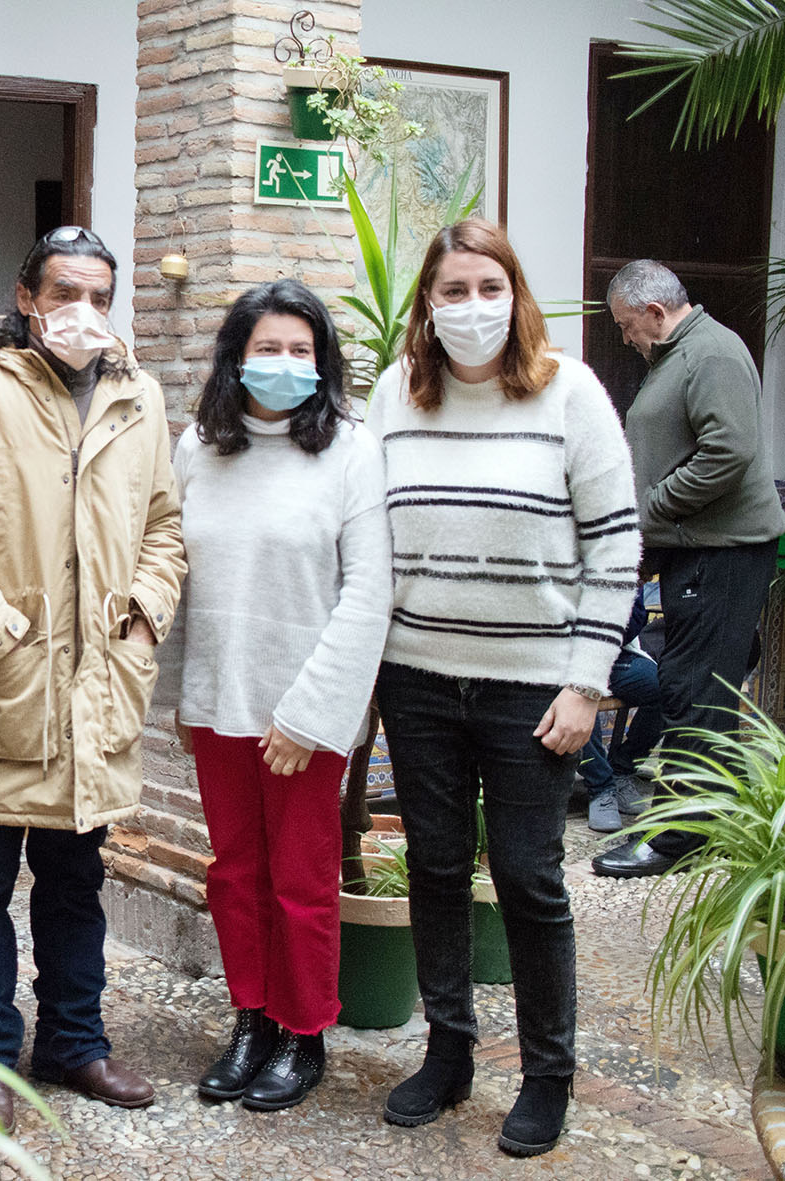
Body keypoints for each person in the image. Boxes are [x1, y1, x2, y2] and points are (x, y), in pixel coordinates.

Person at [0, 226, 185, 1133]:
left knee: (75, 882)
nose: (82, 313)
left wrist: (141, 615)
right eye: (64, 293)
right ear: (26, 297)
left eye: (99, 295)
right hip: (0, 685)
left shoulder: (139, 395)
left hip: (98, 687)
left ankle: (75, 1042)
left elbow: (166, 527)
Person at [364, 219, 640, 1157]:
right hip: (419, 678)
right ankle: (448, 1054)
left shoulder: (571, 392)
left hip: (534, 688)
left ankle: (547, 1074)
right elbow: (365, 539)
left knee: (528, 876)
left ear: (516, 294)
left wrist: (586, 684)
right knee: (436, 869)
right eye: (452, 290)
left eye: (489, 287)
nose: (471, 306)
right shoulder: (395, 394)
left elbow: (614, 545)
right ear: (427, 306)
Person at [174, 279, 391, 1112]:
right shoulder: (200, 445)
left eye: (301, 350)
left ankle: (304, 1033)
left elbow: (367, 594)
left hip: (307, 709)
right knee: (235, 874)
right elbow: (178, 574)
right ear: (237, 356)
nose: (285, 362)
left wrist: (308, 716)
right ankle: (252, 1016)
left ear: (323, 361)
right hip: (217, 699)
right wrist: (181, 703)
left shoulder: (349, 450)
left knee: (300, 881)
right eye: (268, 347)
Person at [592, 260, 785, 876]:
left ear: (654, 311)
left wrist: (652, 506)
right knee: (698, 687)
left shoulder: (712, 354)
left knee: (692, 690)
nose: (626, 338)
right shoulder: (680, 353)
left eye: (627, 325)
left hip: (720, 550)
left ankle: (677, 840)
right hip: (698, 548)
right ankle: (706, 828)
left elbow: (728, 451)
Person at [579, 588, 661, 834]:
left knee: (664, 686)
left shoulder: (617, 558)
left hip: (613, 653)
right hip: (564, 656)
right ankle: (601, 789)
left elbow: (636, 613)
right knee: (581, 690)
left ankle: (622, 769)